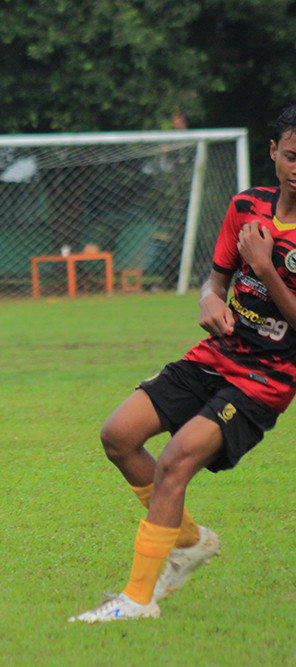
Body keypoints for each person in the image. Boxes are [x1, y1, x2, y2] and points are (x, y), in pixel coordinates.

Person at [71, 104, 296, 622]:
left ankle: (138, 600)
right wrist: (207, 299)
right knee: (119, 435)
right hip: (216, 355)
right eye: (290, 155)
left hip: (266, 380)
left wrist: (265, 267)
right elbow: (216, 279)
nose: (295, 167)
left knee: (174, 461)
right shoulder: (246, 207)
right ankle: (191, 542)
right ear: (273, 152)